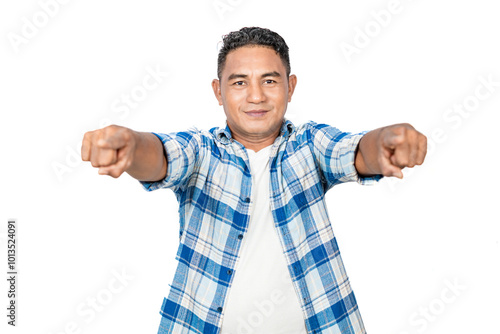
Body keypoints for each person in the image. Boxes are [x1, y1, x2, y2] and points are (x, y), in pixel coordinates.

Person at [81, 27, 426, 334]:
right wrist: (130, 145)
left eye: (270, 80)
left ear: (290, 87)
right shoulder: (201, 152)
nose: (256, 96)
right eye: (240, 82)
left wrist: (386, 143)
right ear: (218, 92)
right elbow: (162, 155)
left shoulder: (310, 145)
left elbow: (355, 150)